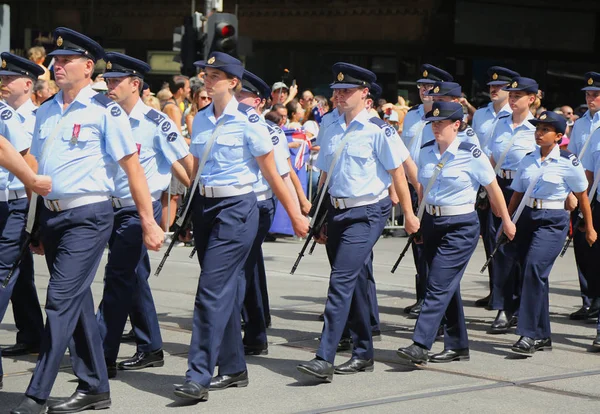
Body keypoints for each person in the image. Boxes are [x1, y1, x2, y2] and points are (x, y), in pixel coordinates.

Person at [11, 27, 164, 414]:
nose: (57, 66)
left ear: (88, 66)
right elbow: (33, 165)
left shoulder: (104, 111)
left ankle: (36, 394)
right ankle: (95, 386)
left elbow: (133, 169)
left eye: (66, 60)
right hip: (53, 216)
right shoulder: (45, 111)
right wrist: (34, 222)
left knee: (59, 300)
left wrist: (148, 220)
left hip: (90, 215)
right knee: (76, 302)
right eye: (55, 60)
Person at [172, 52, 308, 402]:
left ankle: (197, 375)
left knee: (209, 290)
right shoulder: (200, 119)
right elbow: (198, 169)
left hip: (237, 208)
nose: (208, 79)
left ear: (233, 82)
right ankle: (233, 368)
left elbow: (274, 174)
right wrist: (187, 212)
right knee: (224, 292)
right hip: (205, 206)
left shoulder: (250, 121)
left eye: (216, 74)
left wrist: (295, 214)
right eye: (205, 73)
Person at [296, 62, 419, 381]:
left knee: (340, 281)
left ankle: (324, 357)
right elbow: (325, 173)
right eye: (336, 91)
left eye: (346, 91)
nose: (338, 96)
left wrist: (408, 214)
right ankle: (364, 352)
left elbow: (398, 173)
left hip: (368, 212)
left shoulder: (380, 130)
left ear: (365, 94)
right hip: (337, 211)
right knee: (357, 283)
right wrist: (320, 216)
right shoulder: (329, 124)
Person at [396, 101, 515, 364]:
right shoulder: (426, 152)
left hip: (461, 226)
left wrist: (506, 220)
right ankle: (458, 345)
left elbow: (493, 188)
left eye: (441, 123)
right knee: (444, 285)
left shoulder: (471, 154)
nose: (435, 127)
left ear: (457, 125)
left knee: (437, 284)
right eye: (433, 123)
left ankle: (420, 343)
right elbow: (421, 188)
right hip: (432, 223)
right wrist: (417, 218)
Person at [96, 52, 192, 379]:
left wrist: (201, 200)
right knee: (133, 276)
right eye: (106, 79)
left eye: (115, 80)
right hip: (107, 207)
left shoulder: (156, 122)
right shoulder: (103, 116)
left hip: (141, 209)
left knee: (119, 276)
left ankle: (100, 349)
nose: (108, 85)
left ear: (135, 84)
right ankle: (150, 346)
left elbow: (186, 160)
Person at [508, 111, 594, 355]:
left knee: (534, 269)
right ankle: (543, 336)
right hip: (527, 219)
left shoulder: (569, 161)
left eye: (545, 130)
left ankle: (527, 334)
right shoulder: (527, 159)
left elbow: (582, 197)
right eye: (537, 128)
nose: (539, 133)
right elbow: (517, 193)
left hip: (553, 221)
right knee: (534, 275)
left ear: (558, 136)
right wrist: (508, 220)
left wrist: (589, 227)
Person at [0, 53, 46, 364]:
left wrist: (37, 219)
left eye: (8, 78)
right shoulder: (6, 115)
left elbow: (32, 166)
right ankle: (32, 334)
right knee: (20, 274)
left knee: (6, 274)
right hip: (10, 202)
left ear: (28, 84)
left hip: (21, 201)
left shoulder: (36, 117)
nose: (2, 83)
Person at [400, 64, 453, 318]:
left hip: (433, 187)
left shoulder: (447, 118)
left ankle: (433, 299)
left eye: (429, 87)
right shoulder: (411, 116)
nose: (424, 90)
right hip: (411, 186)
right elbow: (400, 153)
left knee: (432, 244)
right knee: (417, 243)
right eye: (420, 86)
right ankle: (422, 296)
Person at [487, 77, 538, 335]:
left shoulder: (538, 128)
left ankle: (524, 309)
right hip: (501, 187)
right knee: (502, 251)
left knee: (526, 254)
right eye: (512, 94)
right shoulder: (500, 123)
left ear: (531, 99)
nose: (513, 98)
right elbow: (493, 157)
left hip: (527, 193)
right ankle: (504, 308)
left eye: (519, 95)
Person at [471, 66, 519, 308]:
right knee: (491, 238)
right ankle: (495, 291)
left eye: (498, 87)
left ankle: (511, 296)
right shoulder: (480, 114)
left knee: (512, 237)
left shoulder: (518, 116)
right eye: (491, 86)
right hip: (489, 178)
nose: (493, 90)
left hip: (515, 182)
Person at [567, 72, 600, 321]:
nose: (591, 98)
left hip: (598, 192)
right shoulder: (579, 124)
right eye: (588, 94)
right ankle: (588, 300)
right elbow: (573, 159)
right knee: (583, 248)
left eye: (595, 94)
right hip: (585, 193)